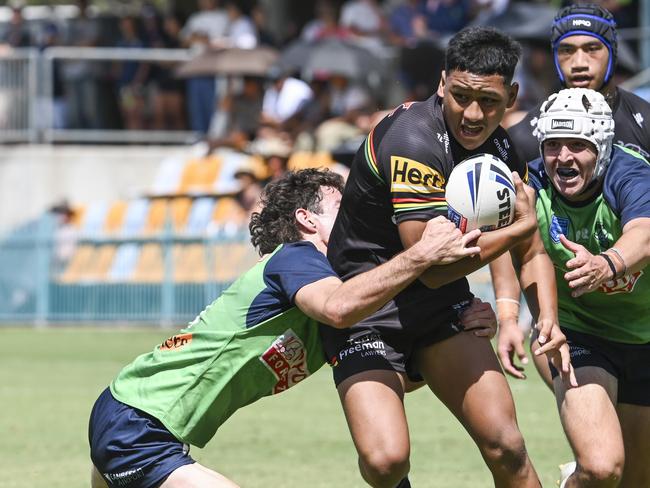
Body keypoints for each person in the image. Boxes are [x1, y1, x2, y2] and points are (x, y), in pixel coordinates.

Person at [88, 168, 490, 488]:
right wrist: (422, 254)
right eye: (345, 206)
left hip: (141, 421)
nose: (361, 214)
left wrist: (456, 328)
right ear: (307, 219)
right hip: (137, 424)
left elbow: (386, 378)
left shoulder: (335, 292)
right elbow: (338, 307)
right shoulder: (295, 260)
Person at [320, 26, 571, 488]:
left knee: (507, 445)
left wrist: (535, 317)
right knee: (385, 461)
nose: (473, 114)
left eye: (490, 102)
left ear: (512, 95)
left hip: (439, 310)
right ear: (441, 84)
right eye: (460, 96)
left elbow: (528, 248)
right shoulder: (412, 141)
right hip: (369, 307)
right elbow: (431, 265)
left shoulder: (502, 150)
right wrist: (520, 225)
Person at [492, 3, 650, 385]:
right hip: (573, 322)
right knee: (598, 442)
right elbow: (501, 229)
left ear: (611, 52)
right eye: (566, 50)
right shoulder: (524, 138)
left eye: (591, 49)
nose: (579, 61)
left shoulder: (646, 123)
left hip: (640, 307)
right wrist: (508, 316)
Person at [521, 87, 650, 488]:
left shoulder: (629, 173)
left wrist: (606, 263)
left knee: (634, 480)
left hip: (644, 338)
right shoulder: (530, 184)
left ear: (603, 147)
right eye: (553, 145)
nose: (563, 158)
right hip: (581, 335)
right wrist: (511, 312)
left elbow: (645, 233)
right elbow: (514, 247)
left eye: (578, 145)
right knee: (601, 466)